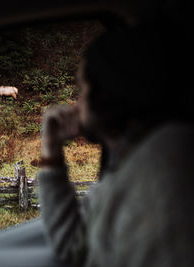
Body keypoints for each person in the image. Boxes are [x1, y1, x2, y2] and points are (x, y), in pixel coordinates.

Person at [38, 21, 194, 267]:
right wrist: (51, 149)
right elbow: (73, 245)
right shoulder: (124, 167)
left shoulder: (169, 165)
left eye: (81, 89)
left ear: (105, 93)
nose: (76, 104)